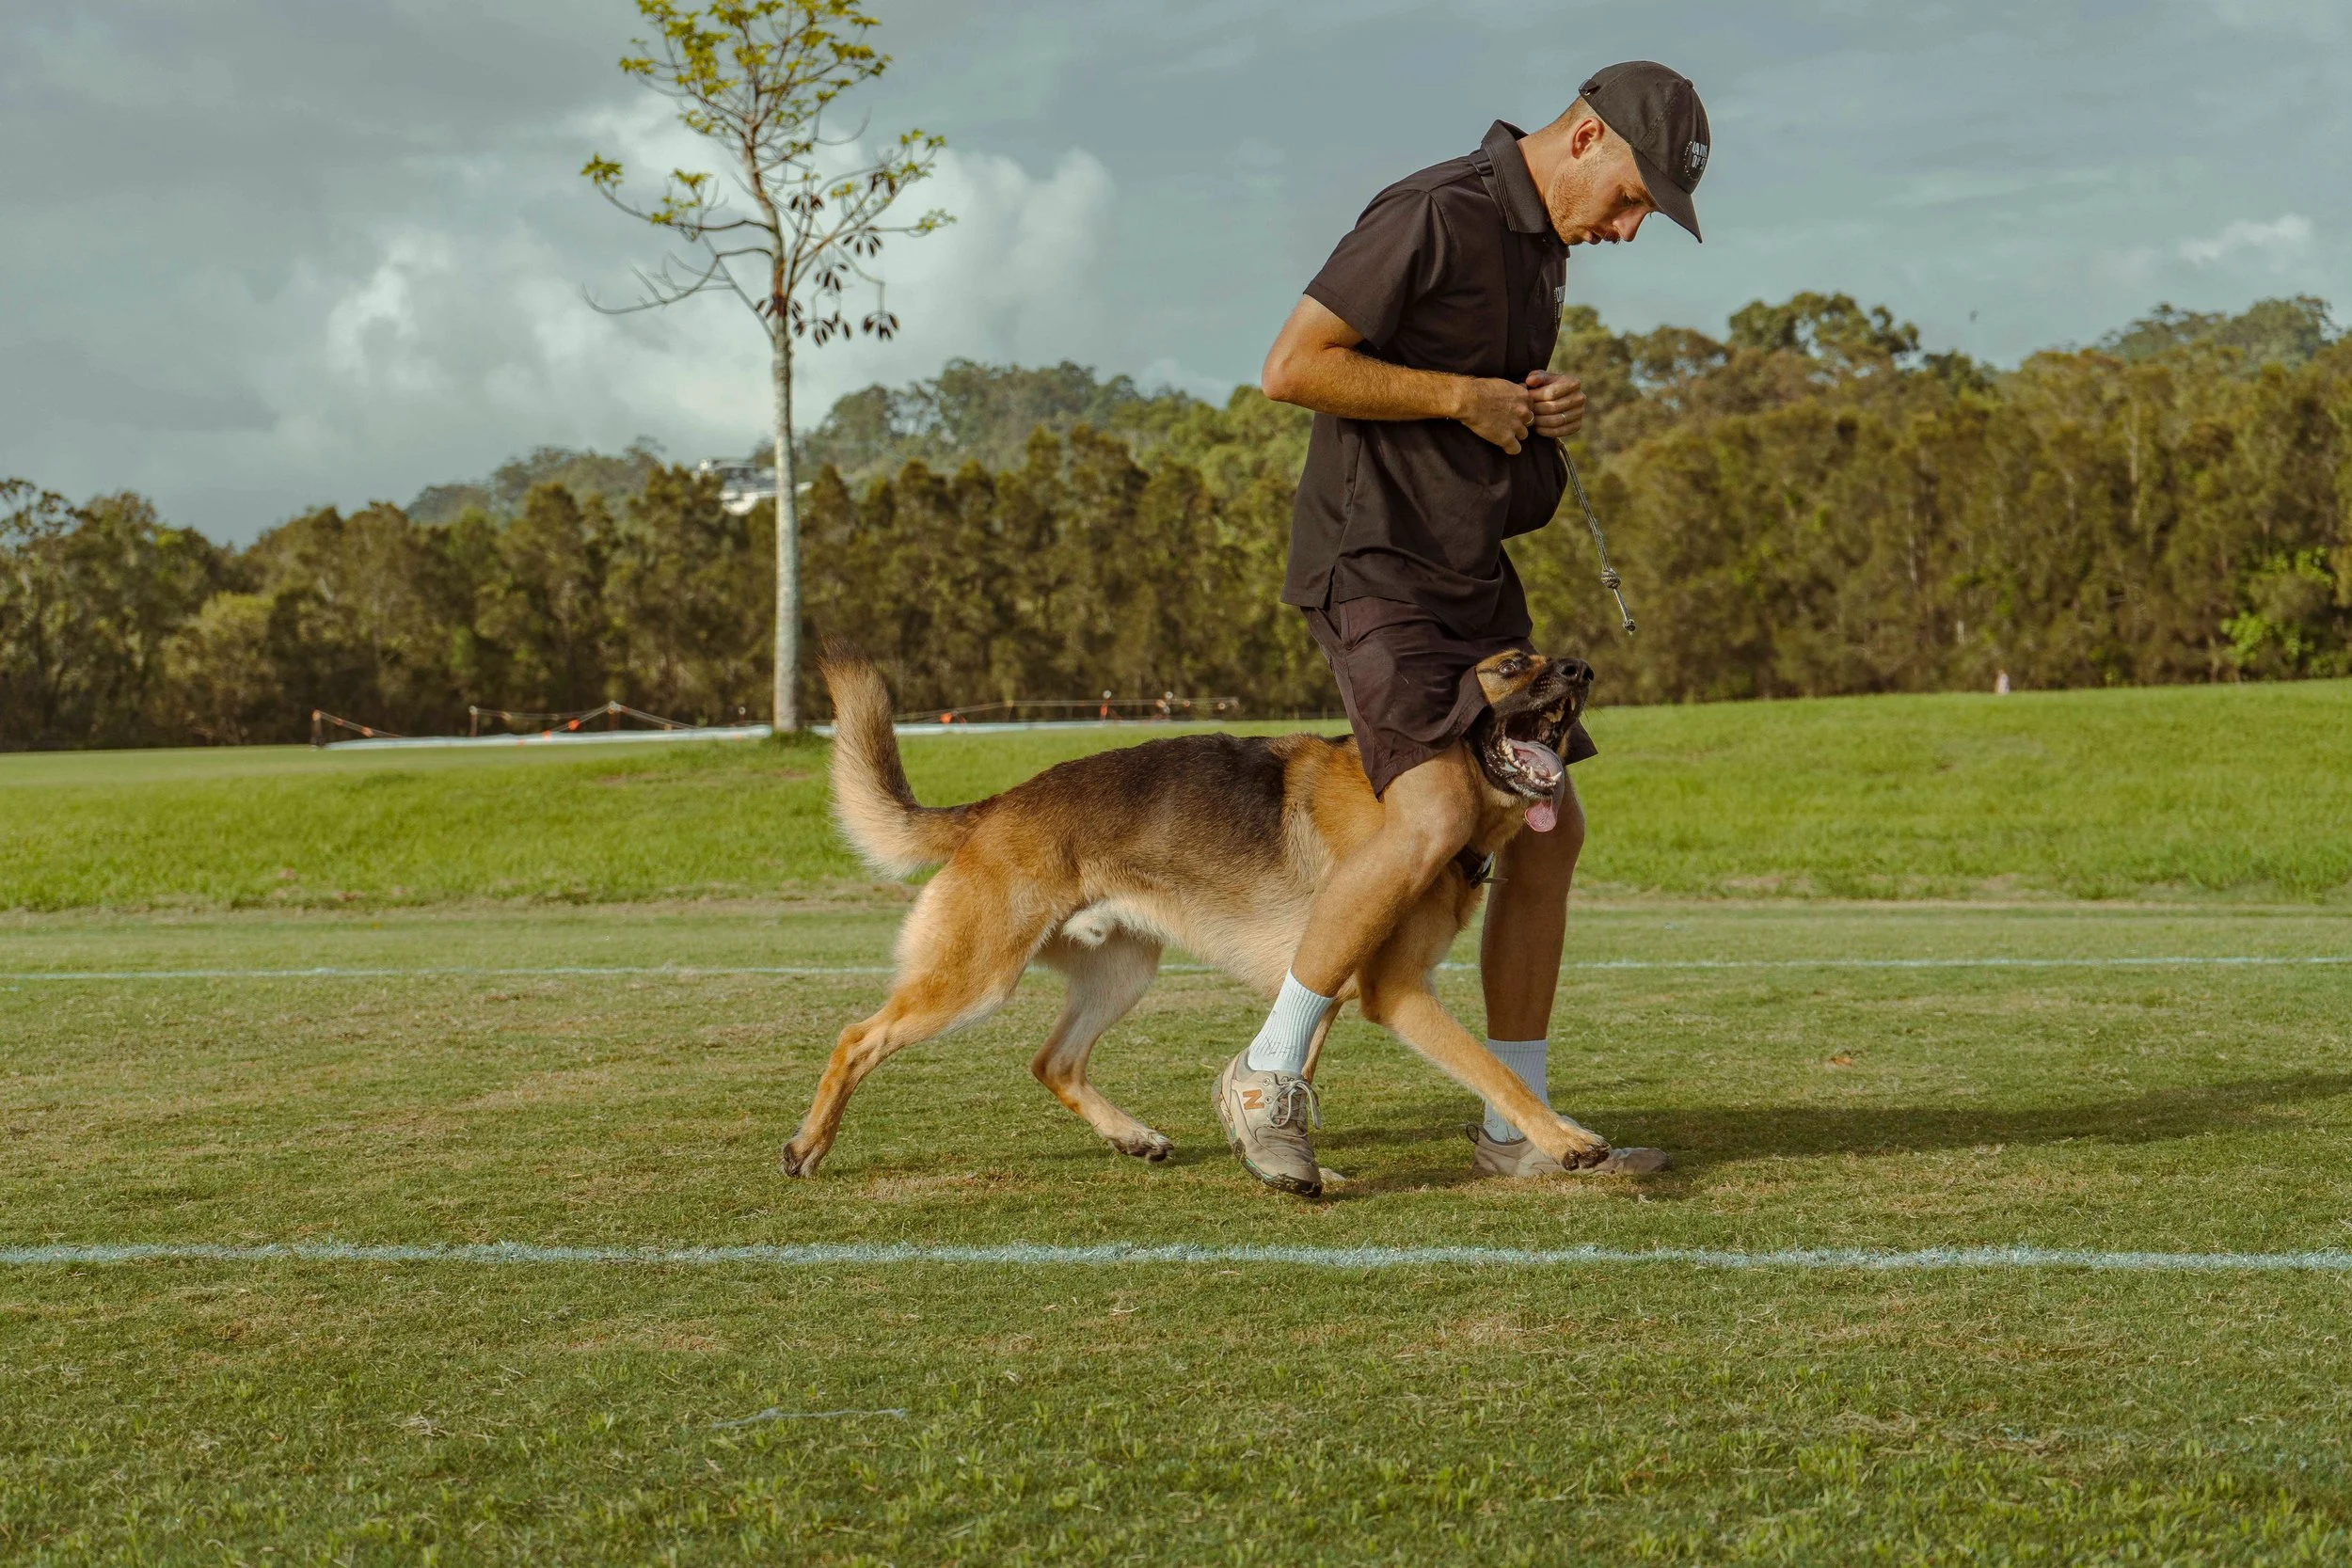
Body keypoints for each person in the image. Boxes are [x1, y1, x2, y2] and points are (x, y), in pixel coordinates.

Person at [1215, 62, 1711, 1195]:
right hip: (1373, 569)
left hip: (1471, 577)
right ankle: (1266, 1074)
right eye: (1632, 199)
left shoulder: (1543, 251)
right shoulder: (1433, 212)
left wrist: (1537, 423)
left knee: (1548, 828)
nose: (1629, 230)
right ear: (1585, 138)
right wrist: (1457, 395)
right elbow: (1292, 368)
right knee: (1435, 808)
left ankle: (1509, 1130)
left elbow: (1491, 437)